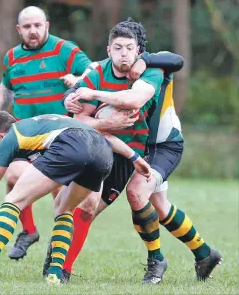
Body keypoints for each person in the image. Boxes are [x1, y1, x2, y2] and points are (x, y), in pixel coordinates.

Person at [45, 19, 222, 284]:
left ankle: (156, 262)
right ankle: (205, 254)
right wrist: (73, 94)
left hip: (163, 144)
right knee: (155, 206)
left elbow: (136, 97)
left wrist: (91, 94)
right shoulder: (102, 70)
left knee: (137, 192)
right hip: (128, 144)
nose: (125, 53)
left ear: (140, 50)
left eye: (131, 47)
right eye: (119, 47)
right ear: (109, 49)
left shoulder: (156, 67)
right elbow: (78, 109)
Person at [0, 111, 153, 285]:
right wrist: (134, 158)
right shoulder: (47, 121)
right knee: (64, 208)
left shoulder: (13, 135)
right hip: (103, 153)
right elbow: (103, 137)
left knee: (13, 200)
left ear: (1, 136)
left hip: (73, 145)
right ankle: (54, 275)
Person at [0, 6, 92, 260]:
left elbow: (93, 70)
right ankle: (29, 232)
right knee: (13, 176)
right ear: (19, 29)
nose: (33, 31)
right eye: (27, 27)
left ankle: (59, 250)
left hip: (60, 135)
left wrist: (78, 79)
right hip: (26, 134)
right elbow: (6, 86)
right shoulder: (11, 57)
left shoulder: (64, 49)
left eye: (38, 26)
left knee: (59, 194)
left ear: (47, 26)